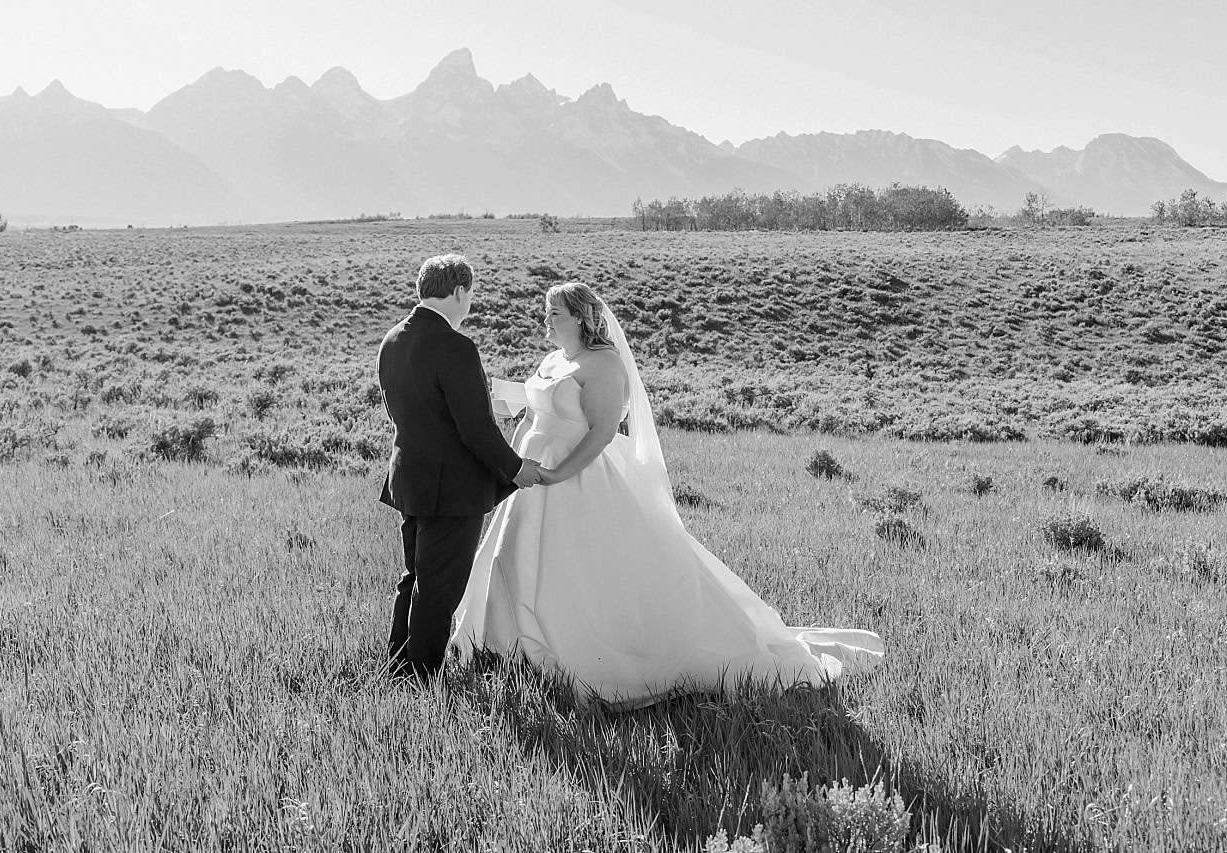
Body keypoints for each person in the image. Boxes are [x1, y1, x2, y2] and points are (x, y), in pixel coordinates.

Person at [452, 281, 882, 708]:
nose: (546, 320)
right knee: (515, 554)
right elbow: (536, 411)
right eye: (546, 312)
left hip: (576, 477)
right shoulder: (553, 359)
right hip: (531, 477)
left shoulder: (604, 365)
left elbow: (602, 432)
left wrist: (556, 474)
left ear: (580, 318)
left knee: (586, 565)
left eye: (554, 314)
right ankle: (508, 646)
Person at [377, 254, 543, 682]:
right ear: (458, 292)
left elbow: (414, 412)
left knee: (414, 578)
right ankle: (423, 678)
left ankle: (398, 667)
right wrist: (514, 467)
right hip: (449, 489)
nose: (469, 304)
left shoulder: (393, 339)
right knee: (439, 590)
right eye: (469, 295)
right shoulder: (456, 346)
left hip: (410, 478)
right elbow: (474, 429)